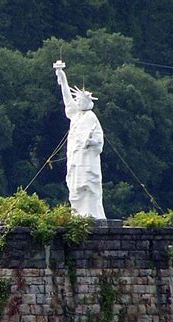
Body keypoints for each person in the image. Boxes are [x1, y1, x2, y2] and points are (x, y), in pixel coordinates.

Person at [54, 63, 106, 220]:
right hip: (76, 157)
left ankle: (92, 214)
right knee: (75, 186)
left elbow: (99, 137)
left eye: (80, 100)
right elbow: (67, 98)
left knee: (88, 185)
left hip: (88, 158)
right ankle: (78, 214)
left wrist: (92, 142)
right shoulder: (76, 115)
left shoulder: (91, 117)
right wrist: (62, 79)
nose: (78, 103)